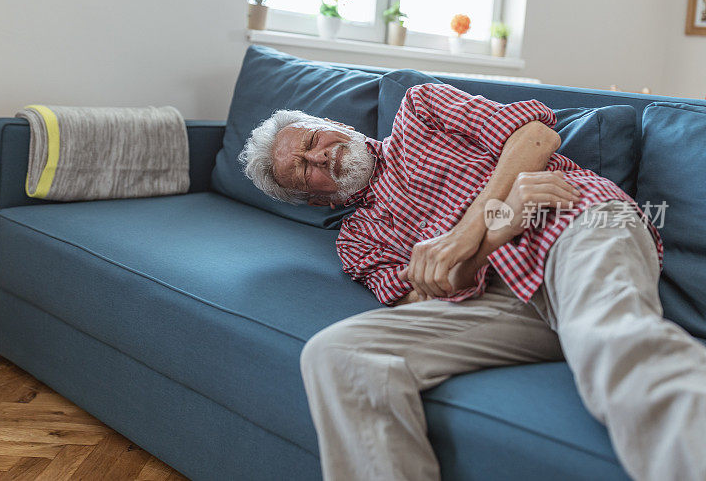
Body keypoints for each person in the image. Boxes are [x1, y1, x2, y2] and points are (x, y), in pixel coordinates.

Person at [238, 83, 706, 481]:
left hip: (574, 222)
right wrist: (498, 230)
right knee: (337, 354)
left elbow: (535, 137)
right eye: (303, 167)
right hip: (500, 299)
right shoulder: (357, 244)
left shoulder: (420, 109)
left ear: (341, 126)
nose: (320, 154)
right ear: (311, 199)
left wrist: (468, 229)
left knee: (611, 337)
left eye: (316, 138)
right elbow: (432, 294)